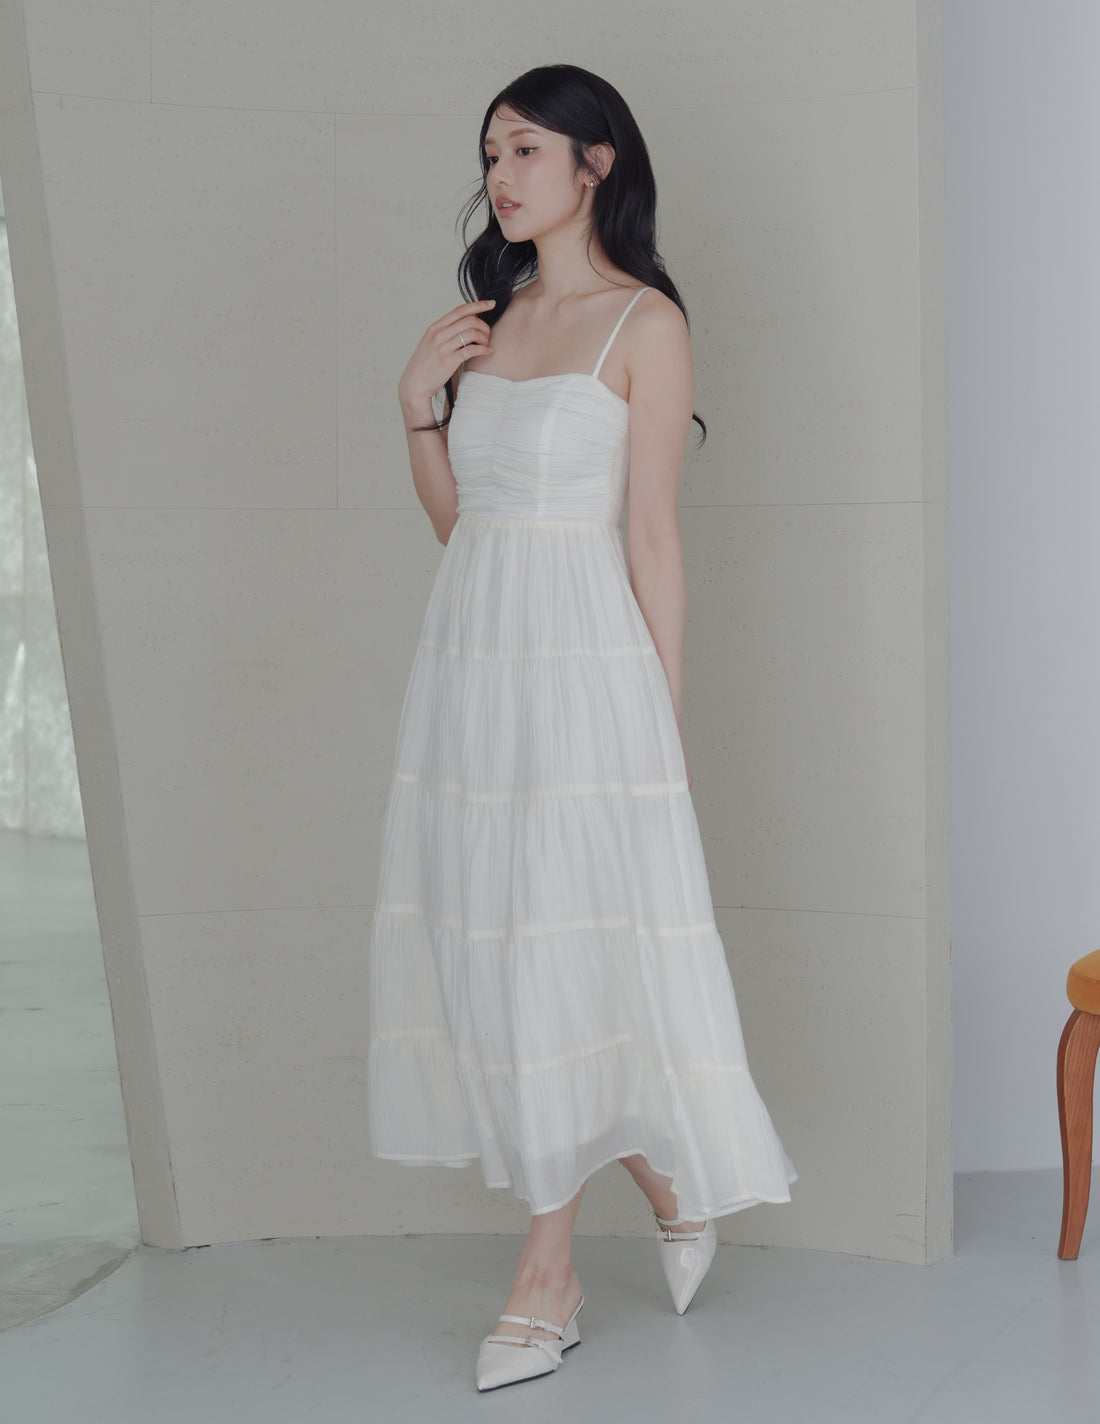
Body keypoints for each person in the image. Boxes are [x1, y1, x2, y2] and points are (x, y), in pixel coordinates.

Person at [367, 63, 797, 1392]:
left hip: (584, 673)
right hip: (473, 670)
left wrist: (660, 720)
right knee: (498, 948)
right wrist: (417, 408)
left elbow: (651, 535)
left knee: (553, 947)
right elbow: (467, 530)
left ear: (596, 164)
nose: (499, 175)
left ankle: (545, 1276)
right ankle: (666, 1176)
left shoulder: (643, 325)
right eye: (490, 152)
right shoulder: (487, 323)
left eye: (526, 149)